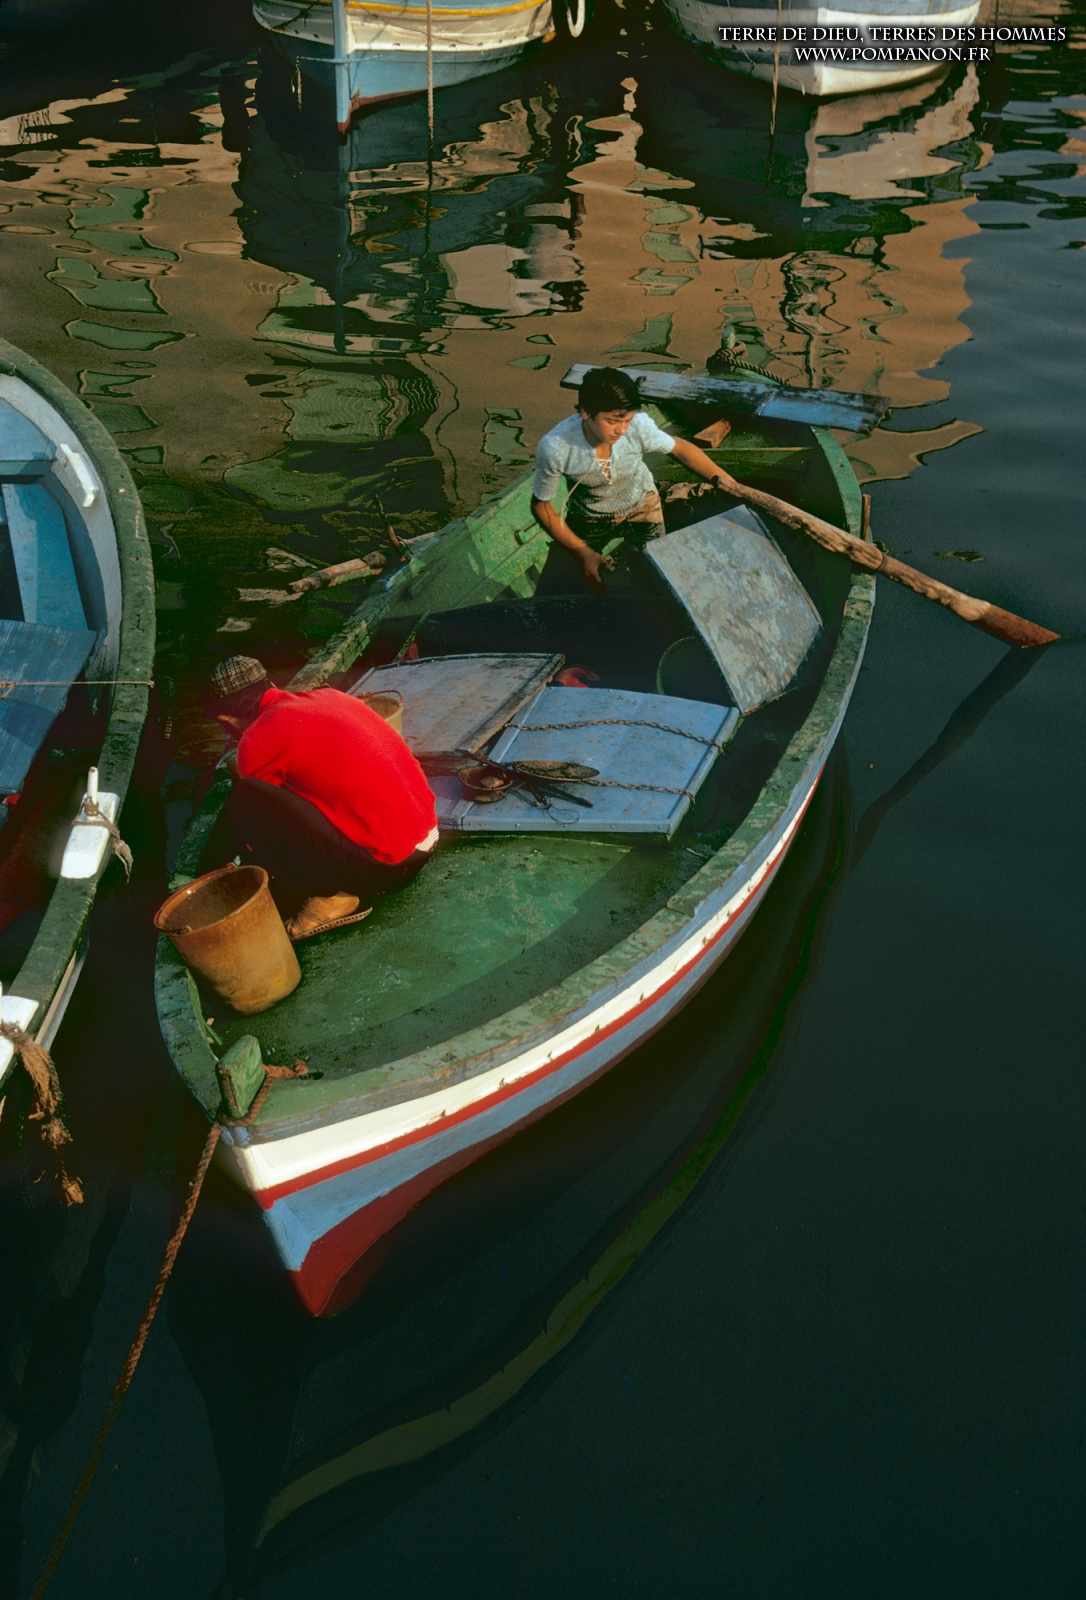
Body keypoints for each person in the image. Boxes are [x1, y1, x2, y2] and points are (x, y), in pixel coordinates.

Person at [207, 656, 438, 940]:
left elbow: (262, 811)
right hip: (426, 840)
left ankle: (331, 897)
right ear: (271, 684)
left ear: (226, 720)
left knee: (247, 797)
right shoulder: (332, 696)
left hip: (388, 869)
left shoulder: (257, 738)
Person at [530, 365, 733, 589]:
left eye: (627, 420)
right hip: (590, 515)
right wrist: (583, 552)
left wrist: (732, 486)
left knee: (655, 576)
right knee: (560, 584)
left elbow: (680, 449)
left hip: (642, 506)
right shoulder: (556, 448)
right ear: (585, 412)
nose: (622, 430)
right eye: (612, 421)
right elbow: (541, 506)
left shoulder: (638, 426)